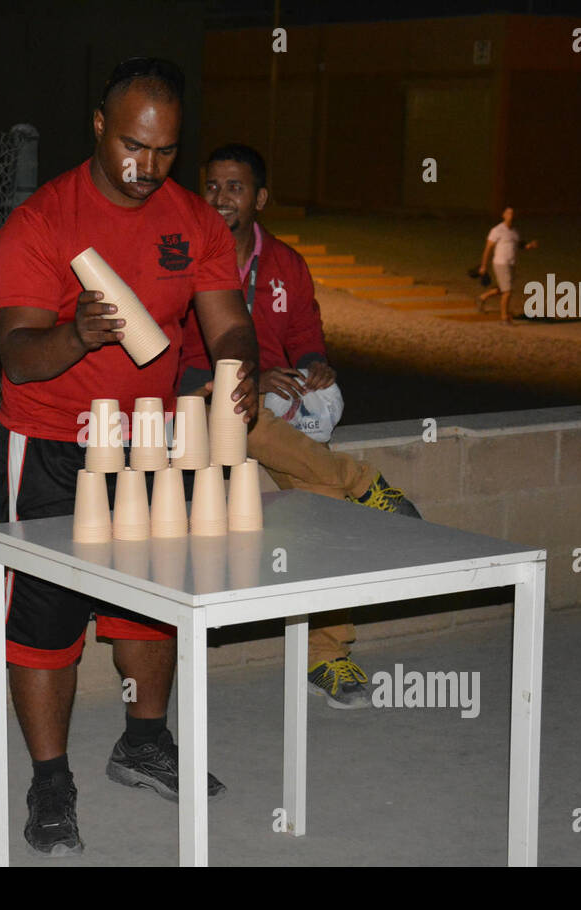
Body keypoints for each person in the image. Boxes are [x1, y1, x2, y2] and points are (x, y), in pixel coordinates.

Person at [0, 57, 260, 856]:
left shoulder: (195, 221)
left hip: (149, 435)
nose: (149, 166)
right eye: (135, 145)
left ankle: (143, 743)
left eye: (168, 150)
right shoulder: (39, 224)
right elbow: (17, 356)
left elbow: (227, 320)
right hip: (49, 440)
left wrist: (234, 371)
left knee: (149, 599)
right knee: (46, 617)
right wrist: (78, 333)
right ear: (100, 128)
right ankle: (50, 782)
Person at [179, 143, 421, 711]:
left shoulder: (285, 262)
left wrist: (314, 363)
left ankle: (328, 654)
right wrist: (250, 381)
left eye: (235, 187)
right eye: (212, 186)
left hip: (273, 409)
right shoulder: (182, 259)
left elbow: (305, 328)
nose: (221, 198)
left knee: (323, 512)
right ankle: (361, 479)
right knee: (240, 406)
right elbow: (166, 356)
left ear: (259, 198)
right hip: (200, 401)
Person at [476, 206, 538, 324]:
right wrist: (483, 265)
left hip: (511, 264)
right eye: (508, 213)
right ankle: (504, 318)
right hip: (500, 263)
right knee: (507, 291)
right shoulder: (497, 230)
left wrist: (530, 246)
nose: (511, 215)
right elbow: (488, 248)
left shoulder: (515, 232)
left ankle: (482, 297)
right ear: (503, 215)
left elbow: (519, 245)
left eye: (513, 213)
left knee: (504, 288)